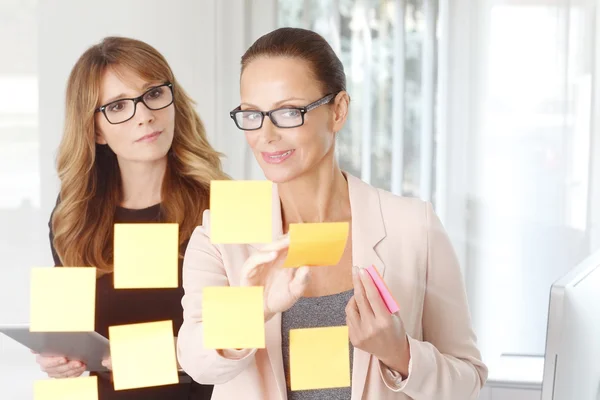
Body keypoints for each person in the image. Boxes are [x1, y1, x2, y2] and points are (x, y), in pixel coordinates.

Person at [177, 27, 488, 400]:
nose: (266, 135)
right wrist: (254, 308)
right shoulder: (220, 231)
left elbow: (468, 378)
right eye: (252, 115)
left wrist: (399, 353)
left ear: (338, 110)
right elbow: (196, 359)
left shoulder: (412, 226)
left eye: (288, 111)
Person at [35, 36, 225, 399]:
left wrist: (143, 353)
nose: (144, 115)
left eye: (153, 94)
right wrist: (59, 359)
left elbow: (242, 342)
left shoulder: (219, 207)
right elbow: (71, 332)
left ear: (173, 103)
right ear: (95, 130)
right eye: (119, 106)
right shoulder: (74, 215)